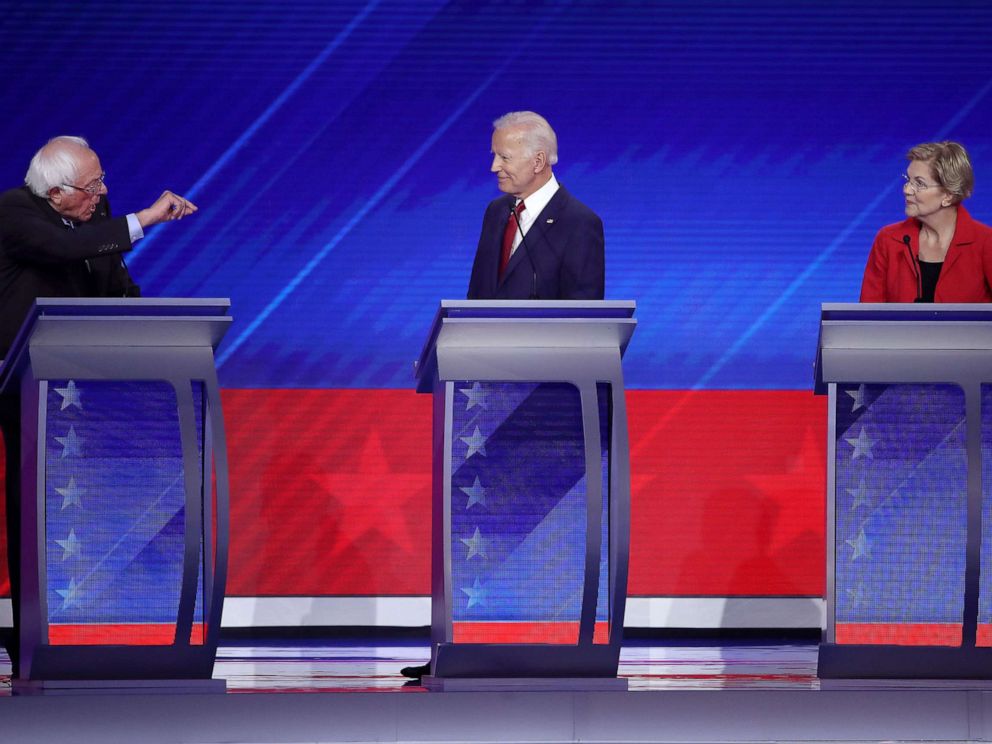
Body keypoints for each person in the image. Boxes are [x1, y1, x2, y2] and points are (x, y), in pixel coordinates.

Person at [0, 135, 197, 678]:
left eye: (103, 181)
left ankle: (76, 639)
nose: (102, 194)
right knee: (28, 513)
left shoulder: (94, 217)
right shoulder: (15, 209)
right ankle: (29, 644)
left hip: (82, 393)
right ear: (56, 191)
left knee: (72, 513)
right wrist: (146, 219)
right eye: (93, 187)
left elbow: (119, 290)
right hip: (21, 387)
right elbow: (62, 250)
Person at [466, 111, 605, 301]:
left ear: (538, 162)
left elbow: (583, 317)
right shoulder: (496, 211)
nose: (494, 167)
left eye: (505, 158)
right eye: (495, 156)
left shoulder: (580, 223)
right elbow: (477, 294)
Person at [860, 141, 992, 303]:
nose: (906, 190)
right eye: (908, 180)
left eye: (919, 184)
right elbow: (867, 318)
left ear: (948, 195)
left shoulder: (986, 242)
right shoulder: (888, 239)